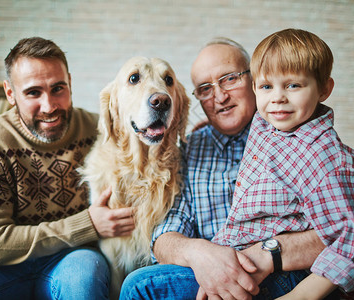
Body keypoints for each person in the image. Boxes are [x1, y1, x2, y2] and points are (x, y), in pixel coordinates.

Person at [120, 37, 328, 300]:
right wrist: (202, 256)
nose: (219, 96)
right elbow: (166, 232)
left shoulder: (293, 132)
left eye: (230, 78)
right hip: (210, 275)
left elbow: (347, 229)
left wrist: (269, 253)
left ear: (254, 80)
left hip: (287, 276)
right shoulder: (190, 149)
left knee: (141, 287)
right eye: (205, 89)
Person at [0, 37, 135, 299]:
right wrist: (87, 224)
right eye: (33, 92)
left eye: (58, 88)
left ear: (70, 82)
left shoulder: (98, 129)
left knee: (84, 279)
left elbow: (147, 144)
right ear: (10, 93)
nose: (49, 106)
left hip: (74, 256)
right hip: (2, 265)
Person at [212, 28, 354, 299]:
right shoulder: (267, 123)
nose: (278, 97)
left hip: (289, 279)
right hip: (243, 258)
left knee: (143, 285)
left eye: (293, 85)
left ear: (324, 89)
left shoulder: (324, 156)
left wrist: (300, 296)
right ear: (255, 89)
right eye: (266, 86)